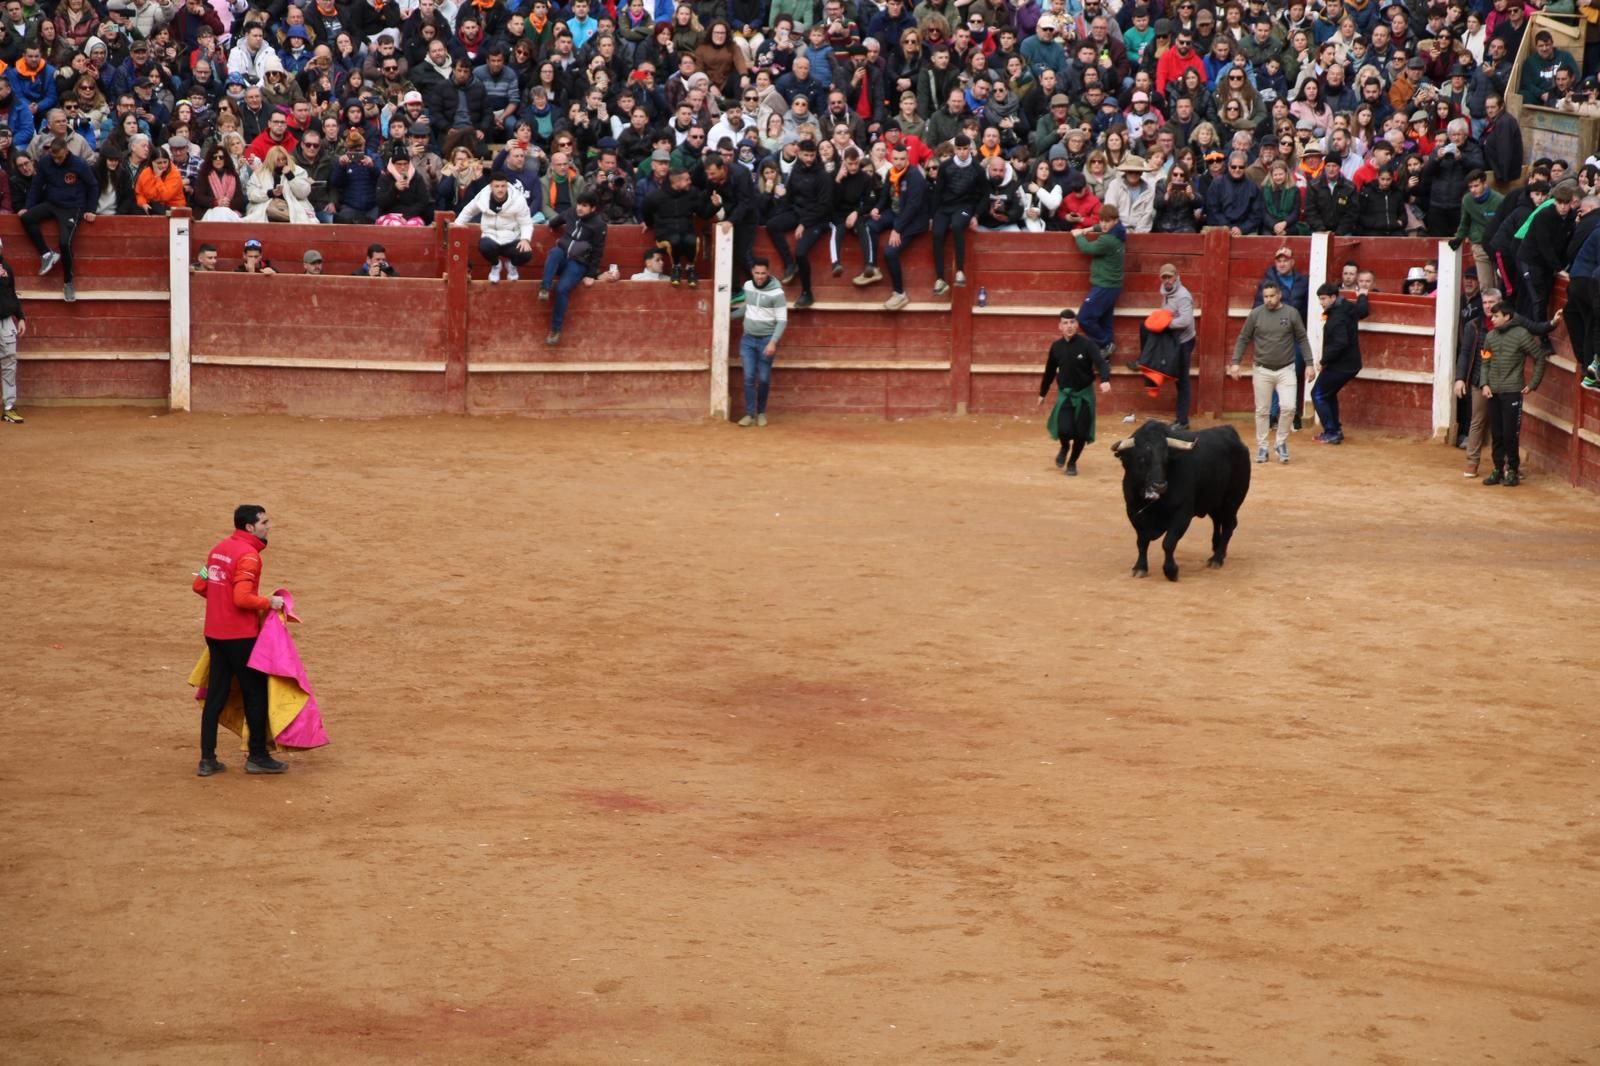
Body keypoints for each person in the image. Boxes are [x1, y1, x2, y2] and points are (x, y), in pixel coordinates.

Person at [189, 504, 288, 777]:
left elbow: (199, 585)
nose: (269, 526)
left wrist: (221, 602)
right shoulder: (249, 556)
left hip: (214, 633)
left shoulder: (218, 549)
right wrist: (270, 602)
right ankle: (257, 756)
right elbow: (242, 598)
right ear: (249, 527)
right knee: (255, 693)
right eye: (264, 522)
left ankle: (207, 759)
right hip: (240, 636)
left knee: (216, 696)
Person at [1230, 280, 1309, 464]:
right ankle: (1263, 446)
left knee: (1289, 407)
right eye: (1265, 296)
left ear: (1279, 295)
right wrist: (1235, 363)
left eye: (1272, 296)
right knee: (1262, 410)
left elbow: (1302, 339)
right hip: (1262, 369)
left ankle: (1280, 442)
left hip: (1286, 368)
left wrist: (1310, 363)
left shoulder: (1291, 313)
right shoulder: (1256, 314)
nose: (1269, 300)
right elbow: (1243, 338)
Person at [21, 136, 97, 302]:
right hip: (52, 203)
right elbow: (36, 185)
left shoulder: (79, 164)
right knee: (27, 218)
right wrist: (28, 206)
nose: (57, 161)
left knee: (64, 242)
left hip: (72, 206)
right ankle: (46, 254)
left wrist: (91, 209)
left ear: (66, 151)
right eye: (54, 157)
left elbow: (92, 186)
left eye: (60, 157)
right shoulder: (45, 162)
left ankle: (68, 282)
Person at [1037, 309, 1111, 477]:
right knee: (1064, 429)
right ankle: (1064, 447)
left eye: (1072, 323)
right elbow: (1049, 371)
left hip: (1085, 394)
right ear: (1060, 327)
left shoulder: (1087, 344)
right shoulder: (1056, 347)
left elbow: (1101, 363)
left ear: (1077, 325)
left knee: (1081, 433)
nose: (1069, 326)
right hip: (1066, 395)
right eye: (1065, 323)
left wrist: (1105, 379)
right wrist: (1042, 393)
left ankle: (1072, 462)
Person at [1478, 303, 1547, 486]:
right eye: (1492, 317)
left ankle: (1513, 470)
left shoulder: (1521, 335)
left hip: (1512, 392)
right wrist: (1484, 384)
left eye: (1496, 316)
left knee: (1510, 434)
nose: (1492, 319)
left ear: (1507, 317)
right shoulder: (1490, 337)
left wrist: (1533, 384)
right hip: (1493, 392)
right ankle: (1498, 469)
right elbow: (1485, 362)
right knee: (1497, 433)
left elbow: (1539, 357)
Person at [539, 190, 611, 346]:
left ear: (593, 209)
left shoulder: (599, 225)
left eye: (584, 206)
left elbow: (598, 250)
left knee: (562, 289)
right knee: (555, 251)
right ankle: (544, 288)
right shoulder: (571, 212)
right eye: (579, 204)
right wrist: (552, 224)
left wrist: (591, 273)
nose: (579, 208)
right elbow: (556, 221)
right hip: (563, 258)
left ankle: (556, 329)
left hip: (578, 263)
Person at [870, 143, 930, 310]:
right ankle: (873, 267)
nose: (898, 162)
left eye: (902, 159)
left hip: (914, 220)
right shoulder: (891, 172)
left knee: (890, 252)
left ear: (908, 158)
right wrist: (877, 208)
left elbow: (913, 207)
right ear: (891, 158)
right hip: (896, 212)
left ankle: (899, 293)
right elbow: (884, 197)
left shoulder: (915, 177)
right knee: (871, 226)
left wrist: (897, 229)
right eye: (895, 159)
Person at [1311, 278, 1371, 445]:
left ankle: (1331, 431)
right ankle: (1334, 429)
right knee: (1328, 393)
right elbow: (1363, 311)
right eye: (1320, 299)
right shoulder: (1346, 306)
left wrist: (1324, 361)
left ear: (1333, 297)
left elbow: (1340, 343)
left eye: (1323, 299)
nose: (1321, 303)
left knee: (1318, 394)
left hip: (1340, 365)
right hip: (1351, 363)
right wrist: (1363, 296)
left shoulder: (1337, 317)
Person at [456, 169, 534, 283]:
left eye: (503, 186)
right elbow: (469, 211)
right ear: (491, 187)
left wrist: (525, 239)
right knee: (484, 246)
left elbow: (526, 222)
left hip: (512, 238)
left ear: (507, 186)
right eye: (496, 186)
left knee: (526, 253)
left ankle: (512, 266)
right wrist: (456, 225)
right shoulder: (483, 196)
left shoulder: (518, 199)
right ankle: (496, 265)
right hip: (491, 236)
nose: (500, 189)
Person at [930, 133, 983, 293]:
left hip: (964, 206)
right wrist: (933, 216)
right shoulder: (945, 167)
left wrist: (976, 214)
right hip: (945, 206)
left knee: (958, 226)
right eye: (959, 149)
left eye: (965, 149)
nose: (962, 152)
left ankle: (960, 270)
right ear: (955, 150)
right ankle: (940, 278)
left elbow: (984, 194)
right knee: (937, 233)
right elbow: (938, 191)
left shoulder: (977, 168)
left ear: (970, 149)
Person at [1072, 203, 1126, 358]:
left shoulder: (1108, 240)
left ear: (1115, 221)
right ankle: (1105, 358)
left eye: (1107, 221)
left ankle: (1106, 344)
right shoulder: (1119, 232)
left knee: (1084, 318)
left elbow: (1087, 249)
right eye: (1101, 220)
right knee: (1105, 322)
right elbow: (1102, 228)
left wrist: (1079, 236)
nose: (1103, 224)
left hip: (1104, 285)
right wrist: (1090, 228)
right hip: (1112, 286)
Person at [738, 256, 786, 426]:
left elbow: (782, 320)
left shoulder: (777, 293)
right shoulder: (748, 286)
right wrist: (727, 316)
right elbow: (747, 307)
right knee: (749, 377)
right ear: (752, 272)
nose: (759, 276)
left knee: (764, 378)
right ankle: (750, 414)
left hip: (766, 341)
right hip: (747, 340)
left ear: (768, 272)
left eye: (762, 273)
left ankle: (761, 412)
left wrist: (773, 342)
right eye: (756, 273)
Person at [1156, 263, 1196, 429]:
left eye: (1169, 277)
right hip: (1173, 340)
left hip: (1184, 341)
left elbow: (1185, 321)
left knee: (1182, 381)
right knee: (1178, 379)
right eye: (1164, 277)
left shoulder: (1183, 295)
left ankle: (1183, 421)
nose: (1167, 280)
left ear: (1176, 276)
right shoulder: (1165, 291)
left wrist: (1166, 323)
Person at [0, 237, 23, 424]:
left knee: (9, 364)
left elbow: (12, 293)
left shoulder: (6, 267)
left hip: (6, 321)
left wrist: (21, 316)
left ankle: (9, 408)